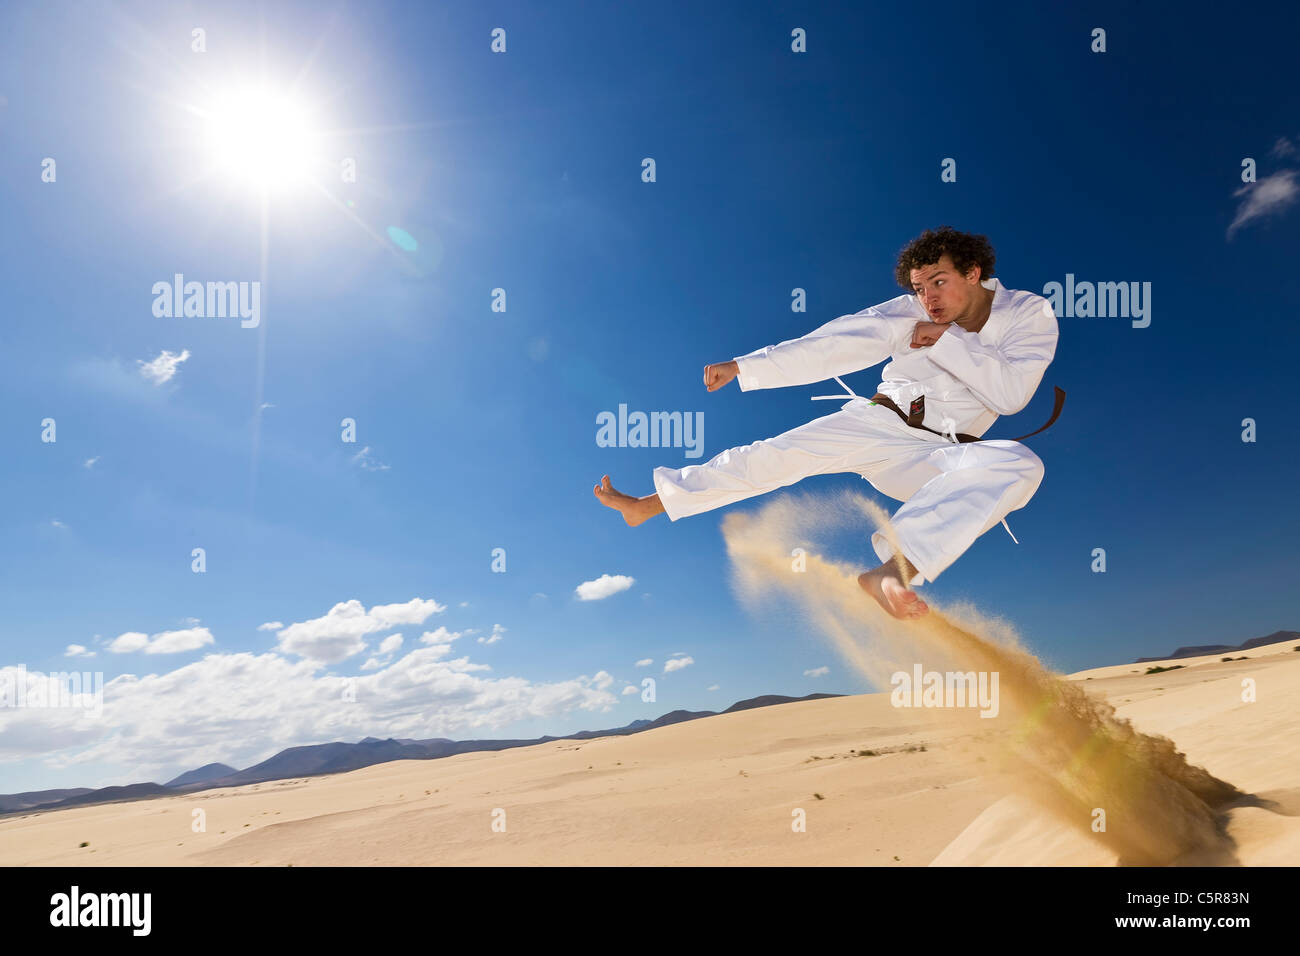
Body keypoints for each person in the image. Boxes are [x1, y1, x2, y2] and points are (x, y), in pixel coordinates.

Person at [593, 226, 1060, 620]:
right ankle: (647, 505)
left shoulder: (1028, 314)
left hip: (940, 455)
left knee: (1020, 465)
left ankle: (890, 575)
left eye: (938, 283)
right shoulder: (908, 313)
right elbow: (834, 344)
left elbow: (1012, 394)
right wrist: (747, 367)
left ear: (973, 272)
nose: (927, 299)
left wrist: (945, 341)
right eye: (919, 289)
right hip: (880, 422)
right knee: (776, 455)